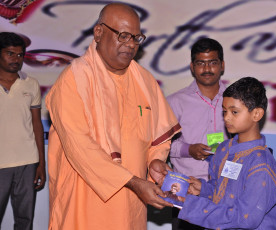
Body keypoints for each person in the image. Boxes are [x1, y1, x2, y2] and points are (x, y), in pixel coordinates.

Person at [45, 3, 181, 230]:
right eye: (124, 35)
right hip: (85, 205)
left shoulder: (145, 82)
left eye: (136, 38)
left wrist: (155, 160)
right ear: (99, 32)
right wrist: (134, 183)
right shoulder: (73, 80)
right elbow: (80, 148)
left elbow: (156, 138)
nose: (130, 44)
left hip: (131, 207)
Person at [178, 77, 276, 229]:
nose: (226, 117)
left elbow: (244, 218)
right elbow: (219, 190)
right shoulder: (224, 149)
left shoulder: (261, 164)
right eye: (225, 111)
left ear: (257, 114)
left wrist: (190, 206)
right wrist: (201, 189)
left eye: (234, 112)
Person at [166, 38, 228, 229]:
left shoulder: (234, 100)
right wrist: (188, 149)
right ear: (193, 67)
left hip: (224, 190)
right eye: (201, 63)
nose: (207, 68)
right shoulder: (175, 102)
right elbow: (159, 146)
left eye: (213, 62)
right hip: (187, 191)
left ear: (222, 65)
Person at [0, 32, 46, 230]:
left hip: (27, 163)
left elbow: (37, 125)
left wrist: (41, 165)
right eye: (10, 54)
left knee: (25, 221)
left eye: (20, 55)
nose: (16, 59)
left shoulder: (31, 84)